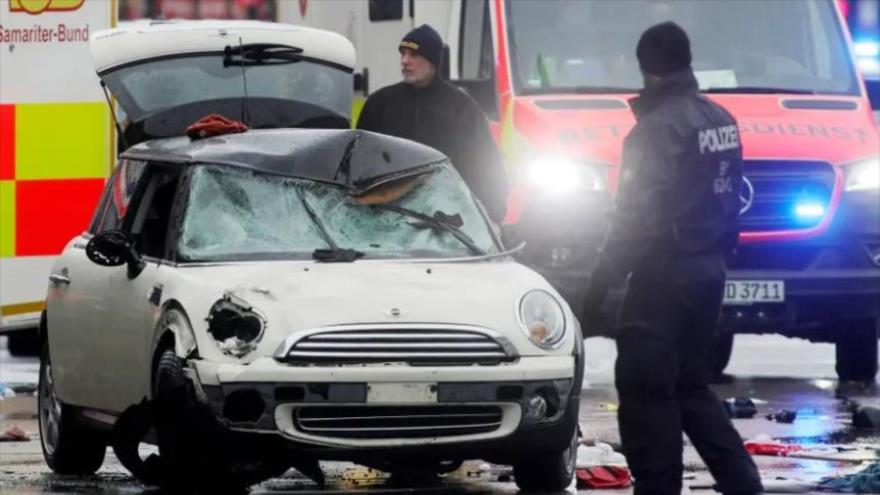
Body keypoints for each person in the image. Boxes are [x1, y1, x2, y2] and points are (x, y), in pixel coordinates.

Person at [581, 22, 763, 495]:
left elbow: (633, 219)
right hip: (708, 270)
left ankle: (657, 488)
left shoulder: (654, 132)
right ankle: (743, 483)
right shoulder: (719, 119)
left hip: (663, 276)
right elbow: (734, 199)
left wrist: (599, 285)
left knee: (645, 389)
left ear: (645, 68)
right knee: (691, 385)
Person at [356, 24, 508, 223]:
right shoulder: (380, 103)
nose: (405, 61)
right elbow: (359, 161)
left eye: (414, 55)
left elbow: (485, 165)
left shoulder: (463, 109)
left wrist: (492, 213)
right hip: (387, 220)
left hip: (448, 221)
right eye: (402, 53)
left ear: (433, 61)